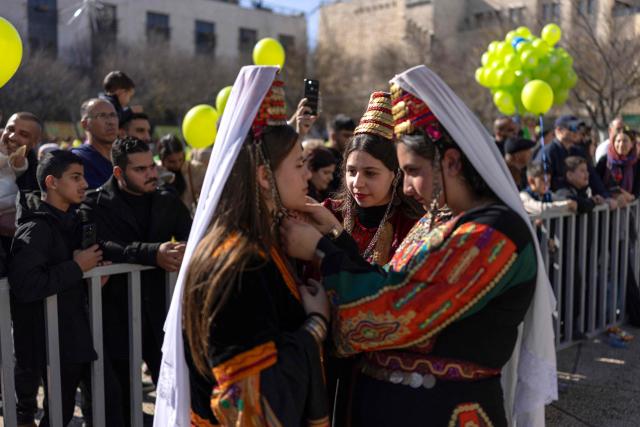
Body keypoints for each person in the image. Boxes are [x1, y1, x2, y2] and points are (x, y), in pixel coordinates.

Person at [280, 65, 556, 426]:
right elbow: (389, 281)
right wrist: (333, 238)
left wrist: (321, 250)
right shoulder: (437, 219)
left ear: (452, 162)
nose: (406, 187)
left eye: (412, 172)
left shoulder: (496, 233)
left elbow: (395, 308)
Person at [154, 66, 330, 427]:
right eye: (299, 165)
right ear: (264, 177)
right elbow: (249, 404)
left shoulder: (259, 241)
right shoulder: (238, 262)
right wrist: (316, 324)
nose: (307, 176)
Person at [80, 137, 192, 423]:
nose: (151, 174)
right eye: (140, 170)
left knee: (180, 394)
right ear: (119, 173)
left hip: (162, 315)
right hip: (114, 317)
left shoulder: (167, 198)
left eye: (151, 166)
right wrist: (153, 254)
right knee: (120, 402)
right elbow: (101, 246)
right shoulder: (94, 203)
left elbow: (192, 237)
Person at [9, 151, 124, 426]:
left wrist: (89, 277)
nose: (84, 183)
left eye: (83, 176)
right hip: (50, 345)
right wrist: (77, 268)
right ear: (52, 182)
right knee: (58, 414)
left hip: (74, 338)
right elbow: (25, 285)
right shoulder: (35, 228)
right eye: (75, 177)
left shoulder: (73, 220)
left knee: (100, 404)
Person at [322, 91, 423, 265]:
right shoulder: (329, 213)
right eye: (351, 171)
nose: (357, 183)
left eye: (370, 173)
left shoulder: (412, 227)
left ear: (396, 174)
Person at [72, 98, 118, 189]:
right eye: (102, 116)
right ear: (85, 124)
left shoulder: (123, 158)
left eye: (113, 115)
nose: (111, 122)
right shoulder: (77, 160)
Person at [157, 134, 207, 214]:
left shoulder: (195, 169)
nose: (177, 165)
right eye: (171, 162)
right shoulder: (155, 171)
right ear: (162, 159)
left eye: (180, 159)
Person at [1, 112, 42, 193]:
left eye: (23, 134)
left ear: (35, 143)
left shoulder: (36, 181)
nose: (12, 137)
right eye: (10, 129)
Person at [596, 129, 639, 202]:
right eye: (618, 141)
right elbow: (597, 183)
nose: (621, 144)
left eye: (625, 141)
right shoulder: (604, 161)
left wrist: (632, 196)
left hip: (631, 207)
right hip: (608, 206)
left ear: (632, 144)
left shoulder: (636, 163)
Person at [325, 114, 357, 195]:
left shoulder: (350, 157)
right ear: (334, 136)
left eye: (352, 136)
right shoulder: (323, 157)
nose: (350, 140)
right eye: (346, 135)